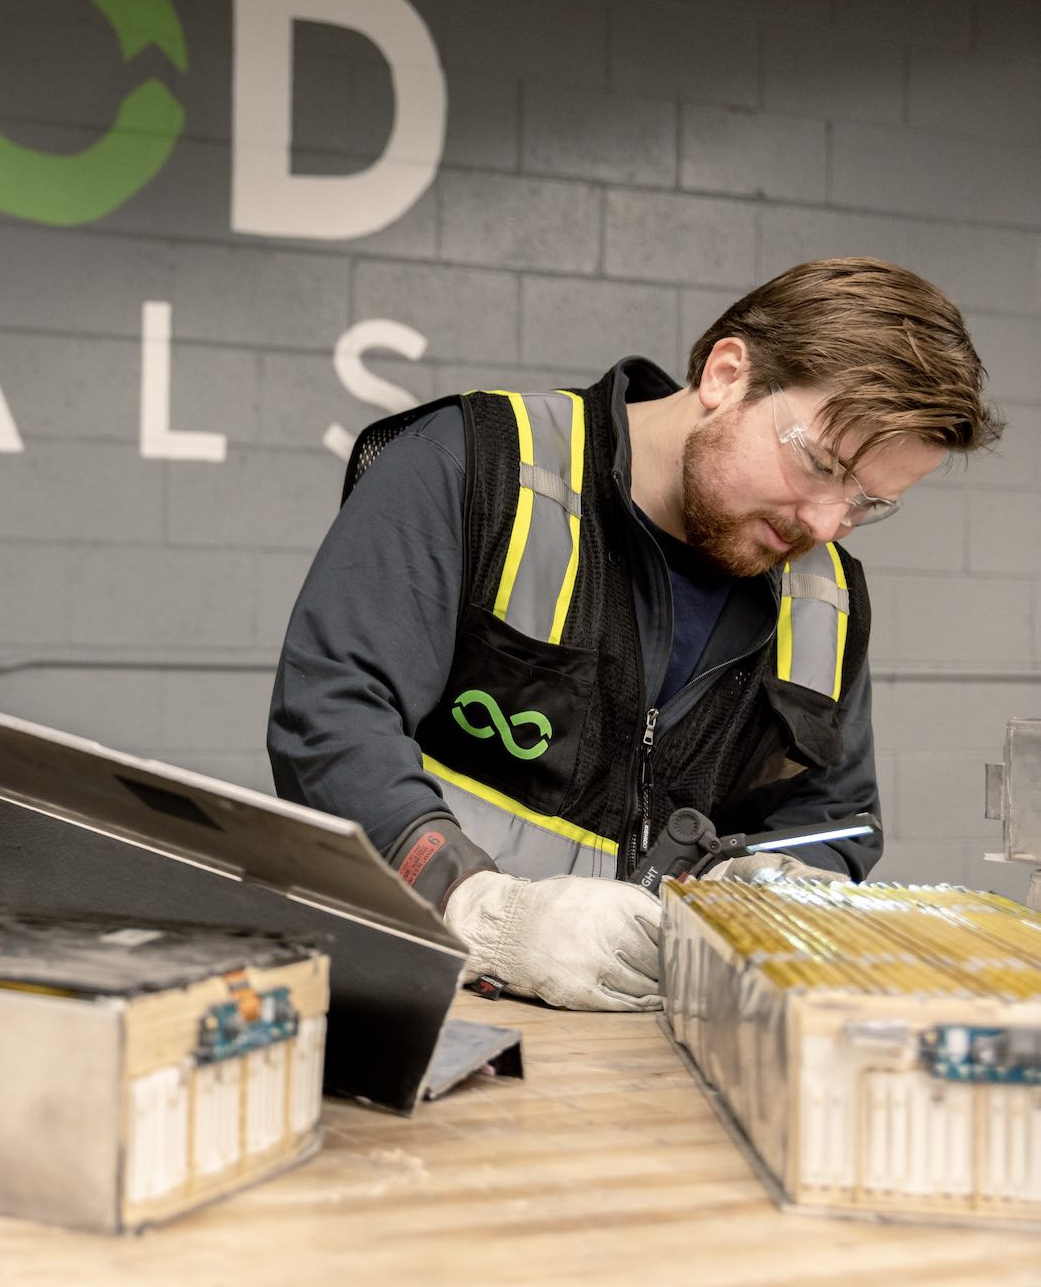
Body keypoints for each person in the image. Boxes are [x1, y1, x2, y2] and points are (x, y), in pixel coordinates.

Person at [269, 258, 999, 1013]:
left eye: (866, 504)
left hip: (647, 1047)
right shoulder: (475, 465)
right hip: (423, 995)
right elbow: (333, 713)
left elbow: (831, 820)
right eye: (820, 464)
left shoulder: (828, 596)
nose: (824, 524)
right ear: (725, 373)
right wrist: (475, 908)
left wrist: (771, 895)